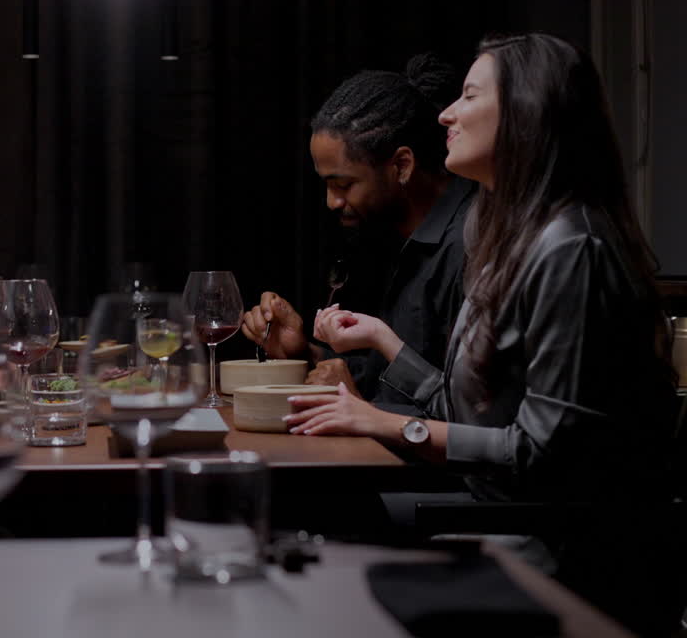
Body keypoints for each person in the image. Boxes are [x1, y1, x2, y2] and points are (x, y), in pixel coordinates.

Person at [289, 34, 683, 634]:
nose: (445, 111)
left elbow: (542, 455)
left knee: (322, 536)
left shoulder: (570, 247)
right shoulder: (508, 236)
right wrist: (385, 343)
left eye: (469, 95)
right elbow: (466, 408)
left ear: (527, 114)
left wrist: (389, 422)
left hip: (551, 545)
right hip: (496, 511)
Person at [242, 55, 475, 412]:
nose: (332, 202)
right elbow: (390, 379)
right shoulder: (395, 236)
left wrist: (363, 407)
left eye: (344, 184)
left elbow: (468, 414)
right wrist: (304, 352)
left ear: (401, 165)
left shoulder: (471, 244)